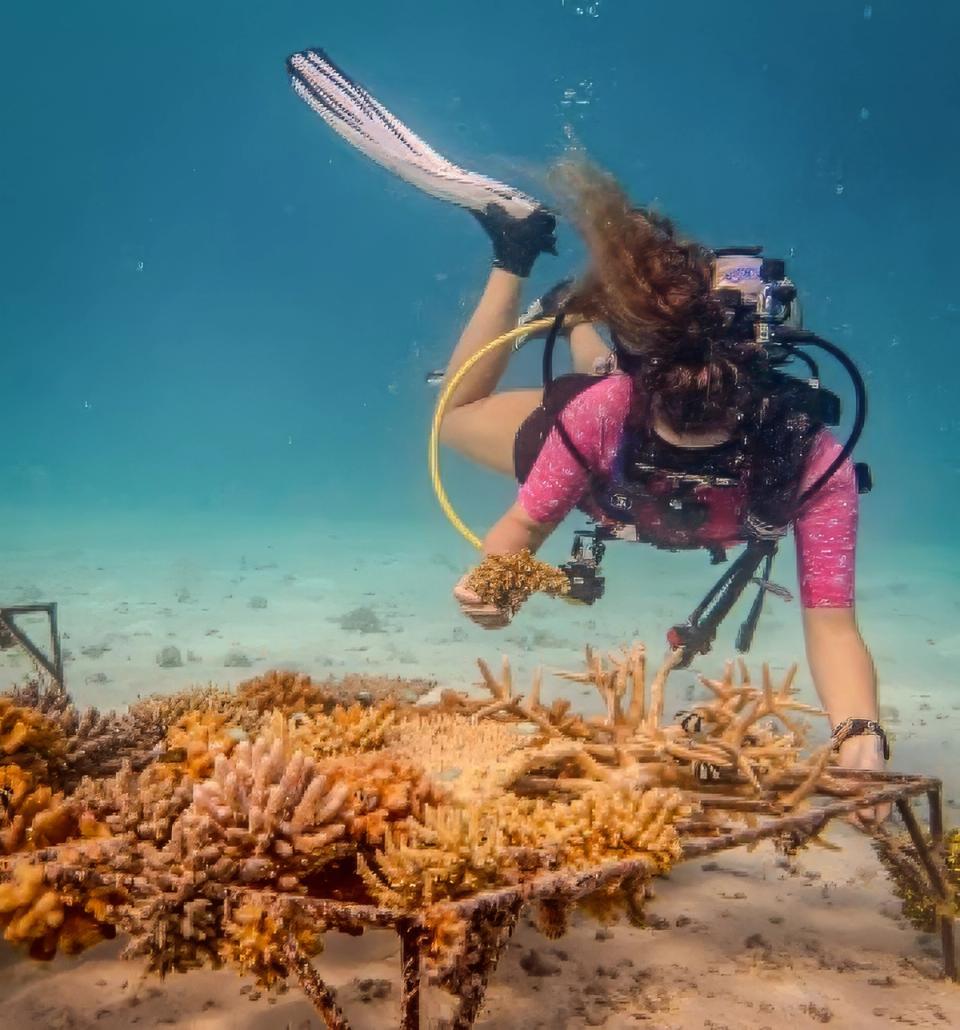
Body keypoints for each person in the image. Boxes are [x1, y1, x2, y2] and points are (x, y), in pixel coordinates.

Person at [438, 160, 886, 826]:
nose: (691, 470)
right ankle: (517, 253)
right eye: (673, 446)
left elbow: (833, 627)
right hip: (598, 462)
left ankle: (575, 308)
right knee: (453, 417)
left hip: (617, 437)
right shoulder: (603, 411)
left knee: (601, 374)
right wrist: (495, 584)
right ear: (643, 394)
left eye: (716, 455)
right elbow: (519, 533)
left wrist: (860, 735)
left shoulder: (812, 460)